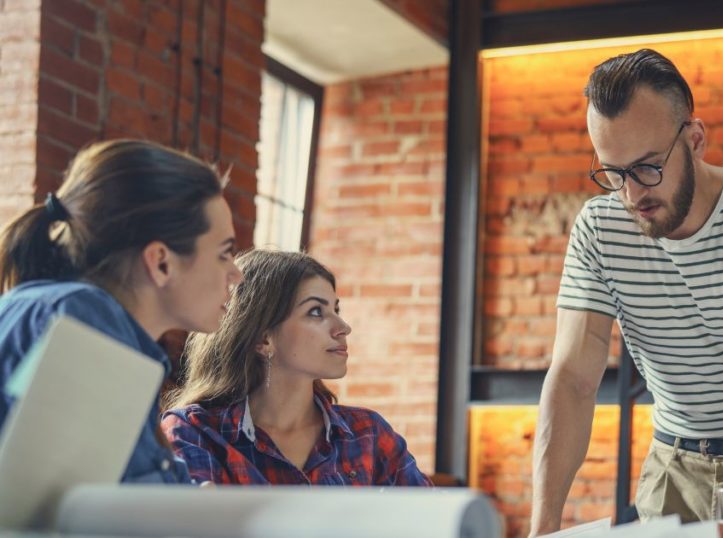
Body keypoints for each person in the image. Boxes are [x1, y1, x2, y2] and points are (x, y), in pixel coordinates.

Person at [530, 48, 723, 537]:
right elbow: (572, 381)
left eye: (647, 168)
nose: (631, 195)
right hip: (671, 466)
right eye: (614, 173)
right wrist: (543, 528)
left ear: (695, 139)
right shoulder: (600, 228)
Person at [0, 139, 243, 483]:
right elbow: (63, 516)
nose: (237, 273)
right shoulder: (85, 318)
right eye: (224, 253)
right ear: (161, 262)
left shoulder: (68, 311)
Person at [161, 249, 432, 487]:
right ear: (263, 338)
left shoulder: (369, 435)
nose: (343, 327)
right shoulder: (196, 433)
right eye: (316, 312)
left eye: (336, 309)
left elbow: (436, 525)